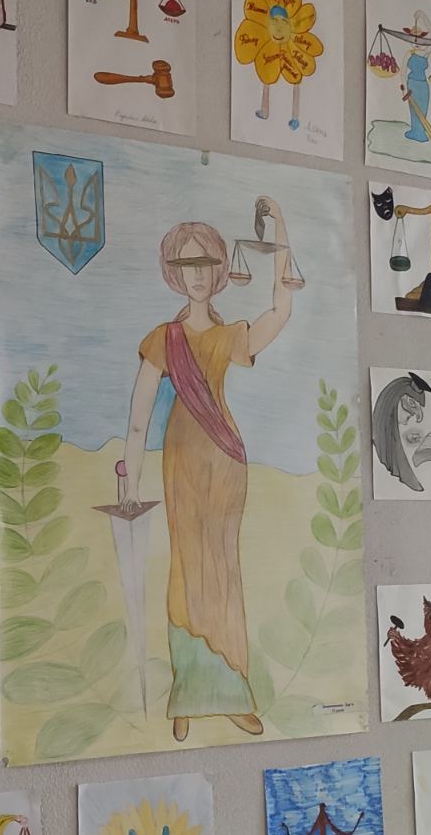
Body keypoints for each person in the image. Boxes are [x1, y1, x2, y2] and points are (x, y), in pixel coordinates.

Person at [119, 198, 297, 743]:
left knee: (223, 569)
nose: (196, 275)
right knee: (186, 568)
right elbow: (139, 416)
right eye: (185, 265)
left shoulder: (227, 337)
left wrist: (282, 234)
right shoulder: (164, 338)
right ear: (174, 273)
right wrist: (129, 481)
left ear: (220, 270)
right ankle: (189, 696)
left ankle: (234, 695)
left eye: (204, 264)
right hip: (180, 461)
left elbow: (281, 311)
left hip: (225, 461)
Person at [402, 13, 431, 143]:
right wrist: (404, 89)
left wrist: (422, 16)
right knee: (414, 110)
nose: (415, 43)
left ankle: (421, 132)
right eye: (413, 40)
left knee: (423, 109)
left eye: (419, 39)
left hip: (423, 85)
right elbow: (402, 72)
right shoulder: (408, 54)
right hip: (412, 85)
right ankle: (415, 131)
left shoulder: (425, 52)